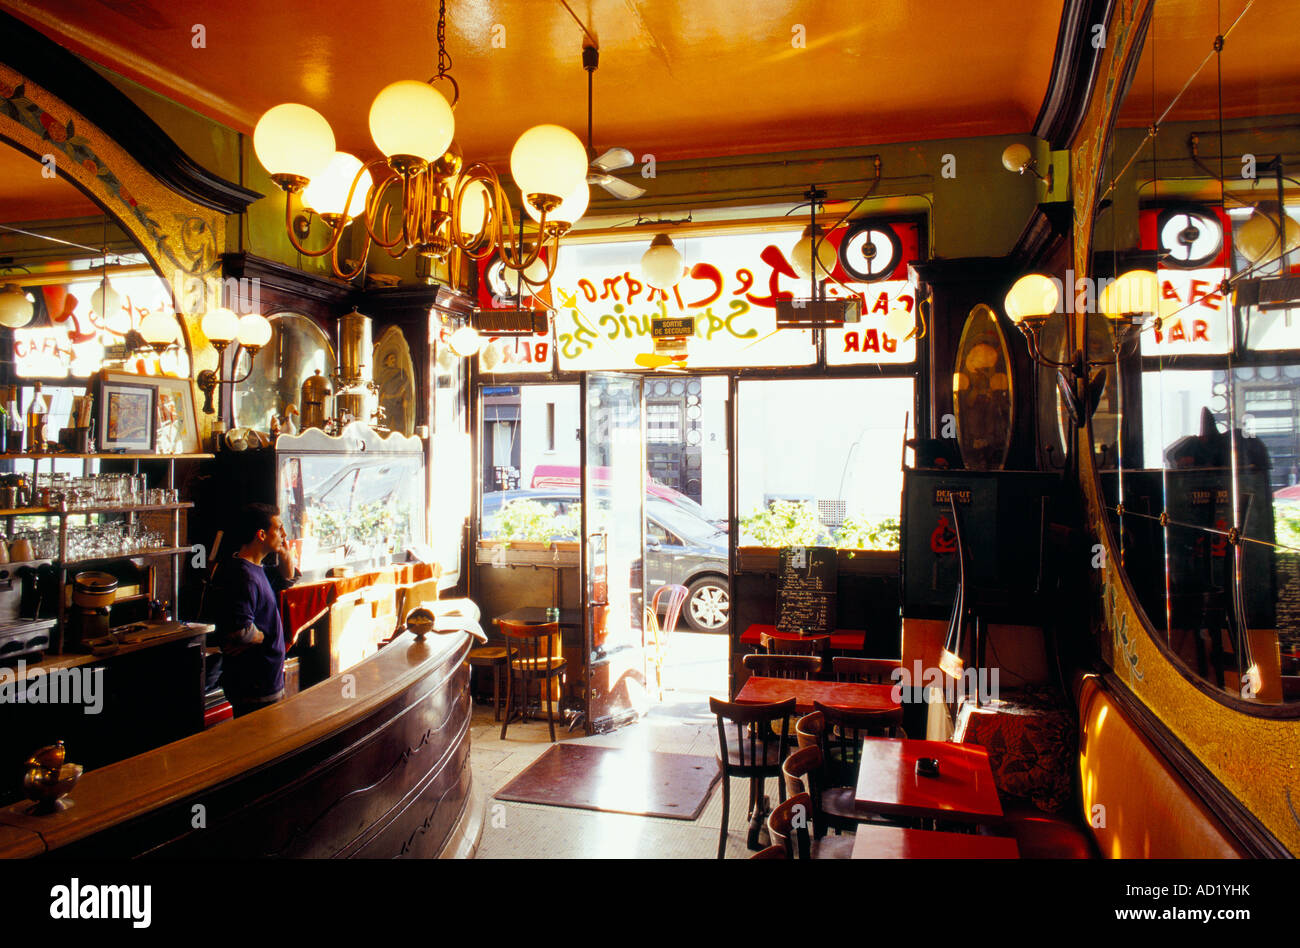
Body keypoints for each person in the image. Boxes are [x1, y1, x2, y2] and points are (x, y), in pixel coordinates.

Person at [214, 503, 298, 718]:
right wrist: (261, 635)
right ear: (261, 534)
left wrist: (283, 550)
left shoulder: (257, 569)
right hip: (255, 686)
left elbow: (288, 578)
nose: (284, 534)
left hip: (266, 681)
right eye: (278, 528)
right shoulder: (244, 575)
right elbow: (240, 631)